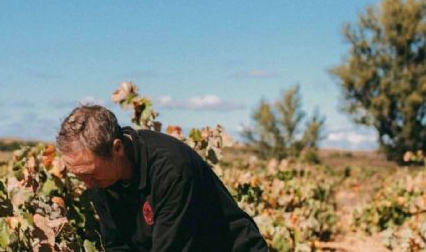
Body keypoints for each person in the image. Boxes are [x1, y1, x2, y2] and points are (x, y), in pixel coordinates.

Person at [56, 104, 268, 252]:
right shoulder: (99, 176)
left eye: (90, 174)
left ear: (117, 149)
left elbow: (172, 248)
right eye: (80, 175)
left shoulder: (172, 169)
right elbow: (118, 245)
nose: (87, 184)